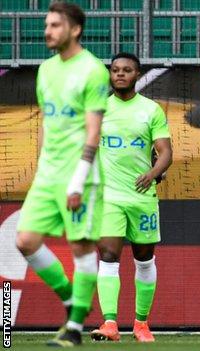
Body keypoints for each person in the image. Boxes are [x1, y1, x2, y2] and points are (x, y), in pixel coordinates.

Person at [14, 2, 109, 346]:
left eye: (55, 25)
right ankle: (73, 303)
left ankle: (74, 329)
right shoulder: (46, 70)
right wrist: (42, 168)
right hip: (48, 174)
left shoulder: (93, 70)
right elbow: (47, 122)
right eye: (46, 25)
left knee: (81, 247)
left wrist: (78, 179)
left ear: (75, 29)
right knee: (25, 241)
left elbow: (93, 132)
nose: (47, 31)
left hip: (79, 174)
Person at [90, 52, 173, 343]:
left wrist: (152, 174)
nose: (120, 74)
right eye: (115, 70)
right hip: (109, 197)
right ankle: (110, 323)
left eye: (126, 70)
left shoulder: (151, 110)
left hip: (142, 197)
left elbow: (165, 152)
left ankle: (141, 324)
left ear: (137, 74)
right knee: (109, 256)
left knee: (144, 259)